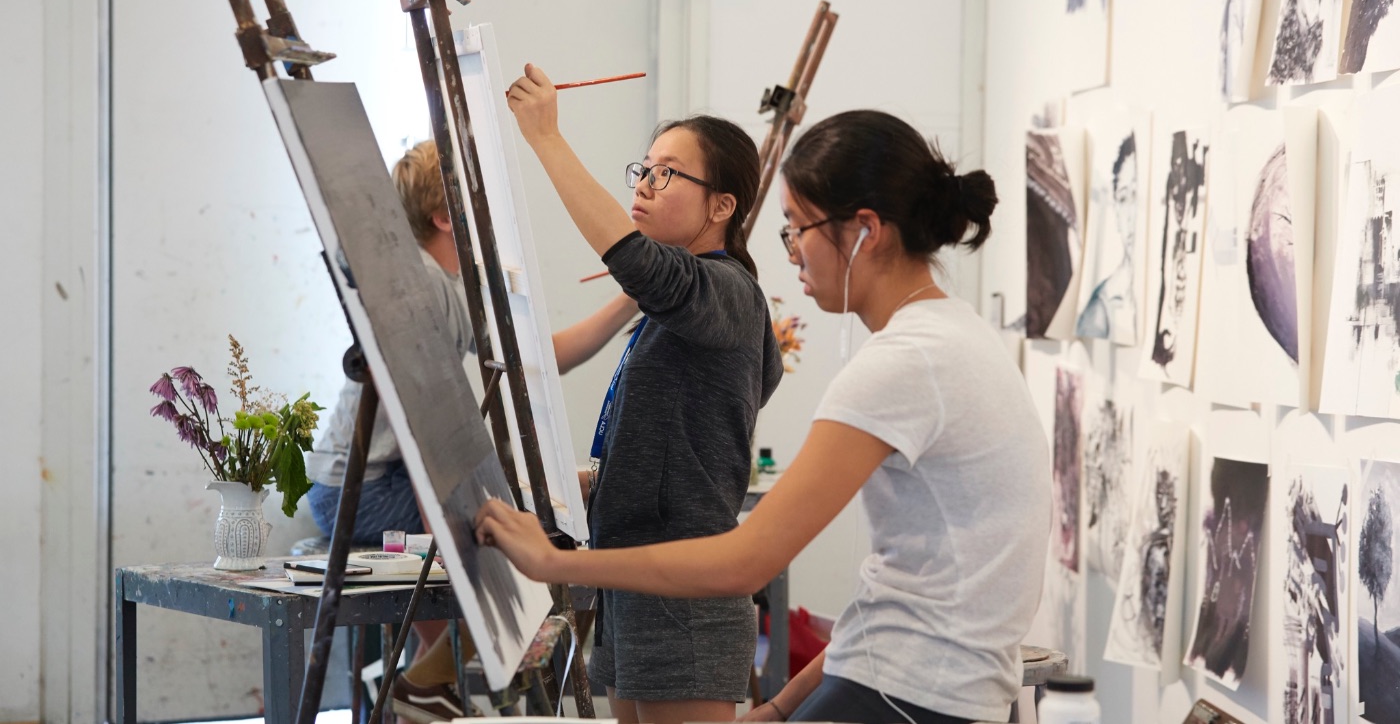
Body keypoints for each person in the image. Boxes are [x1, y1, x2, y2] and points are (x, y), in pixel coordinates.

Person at [475, 110, 1052, 724]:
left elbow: (748, 559)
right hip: (899, 678)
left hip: (912, 695)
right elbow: (896, 587)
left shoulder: (903, 362)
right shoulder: (947, 338)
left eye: (800, 227)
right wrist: (778, 707)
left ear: (866, 231)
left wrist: (556, 563)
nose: (793, 250)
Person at [301, 140, 637, 722]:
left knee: (525, 535)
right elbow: (423, 428)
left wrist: (632, 297)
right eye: (471, 194)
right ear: (440, 215)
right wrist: (455, 529)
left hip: (387, 479)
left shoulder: (449, 284)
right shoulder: (422, 285)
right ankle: (423, 685)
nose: (487, 205)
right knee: (524, 546)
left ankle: (425, 683)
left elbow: (537, 357)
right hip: (367, 488)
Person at [503, 63, 783, 724]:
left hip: (683, 597)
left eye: (669, 173)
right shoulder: (676, 311)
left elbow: (630, 256)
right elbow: (685, 438)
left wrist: (546, 137)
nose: (646, 185)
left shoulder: (727, 290)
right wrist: (605, 479)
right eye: (645, 169)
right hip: (631, 584)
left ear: (722, 206)